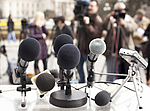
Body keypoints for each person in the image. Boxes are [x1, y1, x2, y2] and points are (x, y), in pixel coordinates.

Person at [103, 2, 137, 81]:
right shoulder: (111, 19)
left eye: (122, 10)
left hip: (127, 50)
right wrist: (109, 18)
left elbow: (134, 28)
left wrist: (124, 24)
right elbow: (105, 27)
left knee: (126, 73)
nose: (120, 12)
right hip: (113, 51)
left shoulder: (128, 18)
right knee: (111, 74)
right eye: (118, 10)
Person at [76, 0, 103, 83]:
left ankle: (90, 84)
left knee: (90, 69)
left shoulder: (98, 20)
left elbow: (96, 35)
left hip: (90, 50)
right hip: (80, 48)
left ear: (97, 8)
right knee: (79, 68)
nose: (89, 7)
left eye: (92, 6)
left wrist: (87, 24)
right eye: (88, 6)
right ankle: (81, 83)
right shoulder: (84, 16)